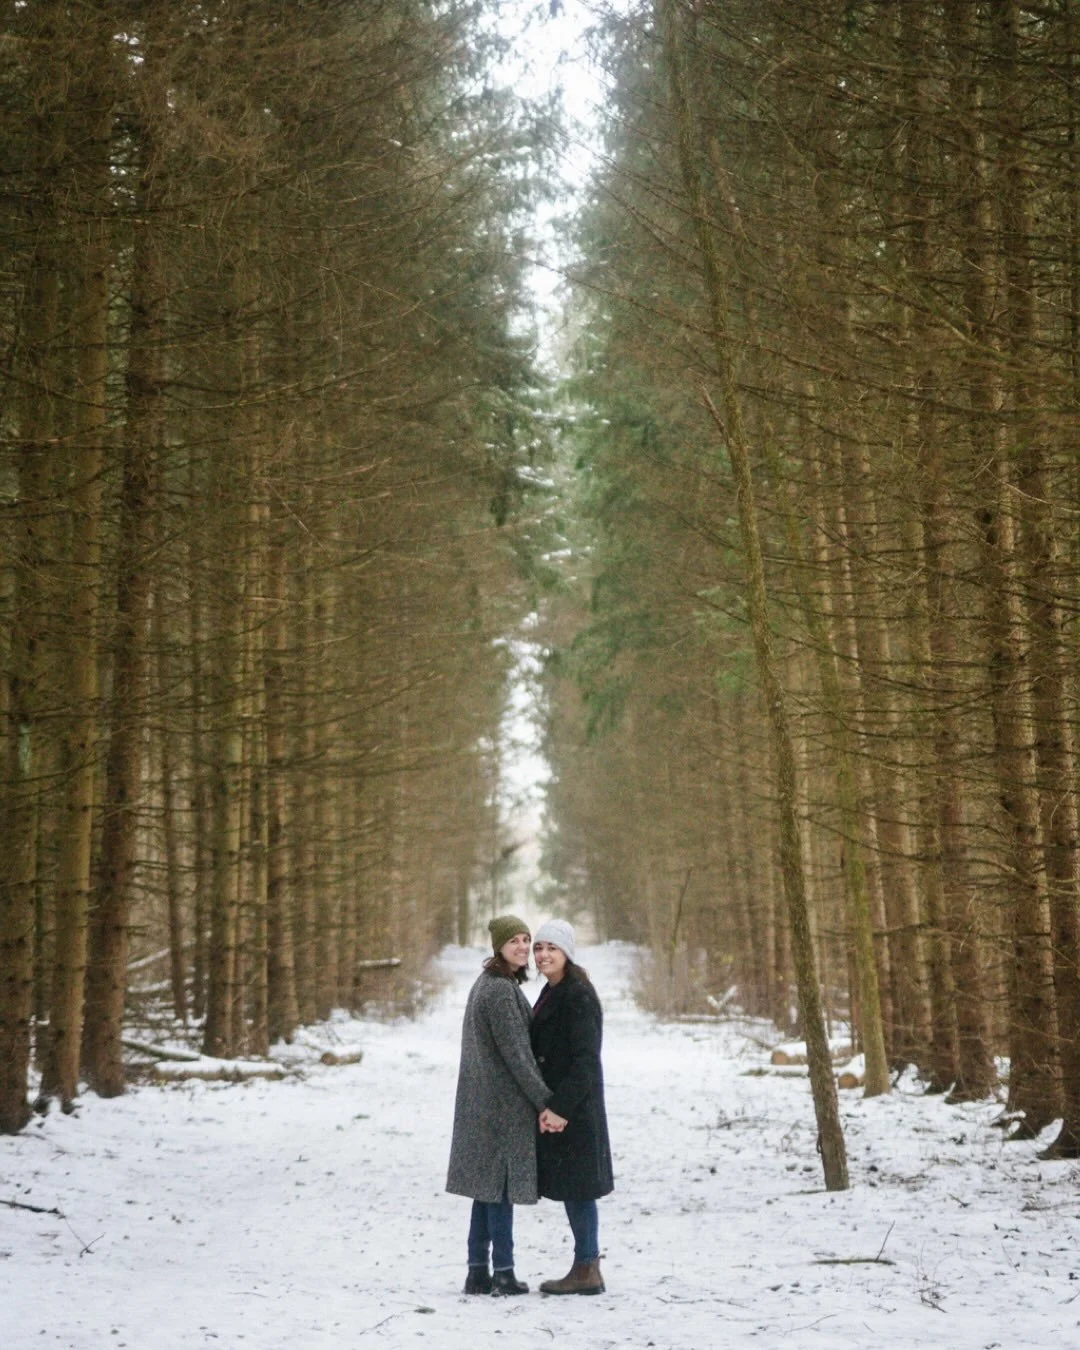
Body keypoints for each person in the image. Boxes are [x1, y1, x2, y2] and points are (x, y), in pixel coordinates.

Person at [446, 914, 553, 1296]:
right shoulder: (499, 991)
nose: (524, 947)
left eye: (527, 940)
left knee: (485, 1189)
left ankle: (478, 1271)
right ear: (499, 948)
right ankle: (504, 1273)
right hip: (501, 1106)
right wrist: (545, 1101)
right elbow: (518, 1057)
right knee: (501, 1188)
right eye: (516, 942)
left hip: (484, 1102)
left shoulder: (490, 984)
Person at [530, 919, 614, 1296]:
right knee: (574, 1189)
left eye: (552, 948)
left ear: (567, 953)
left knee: (579, 1190)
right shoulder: (553, 990)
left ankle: (587, 1268)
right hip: (563, 1105)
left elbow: (585, 1061)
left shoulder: (577, 994)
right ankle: (586, 1265)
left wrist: (560, 1109)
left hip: (576, 1110)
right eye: (538, 947)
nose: (543, 955)